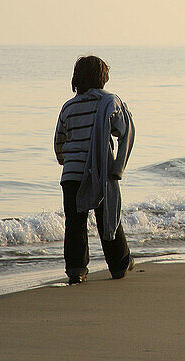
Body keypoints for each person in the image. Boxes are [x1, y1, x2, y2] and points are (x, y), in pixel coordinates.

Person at [54, 55, 135, 284]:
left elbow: (59, 140)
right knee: (107, 216)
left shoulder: (68, 107)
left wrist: (66, 161)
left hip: (71, 175)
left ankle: (76, 270)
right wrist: (116, 165)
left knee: (75, 222)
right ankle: (119, 264)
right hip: (100, 172)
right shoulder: (109, 103)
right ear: (103, 78)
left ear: (76, 78)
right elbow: (123, 131)